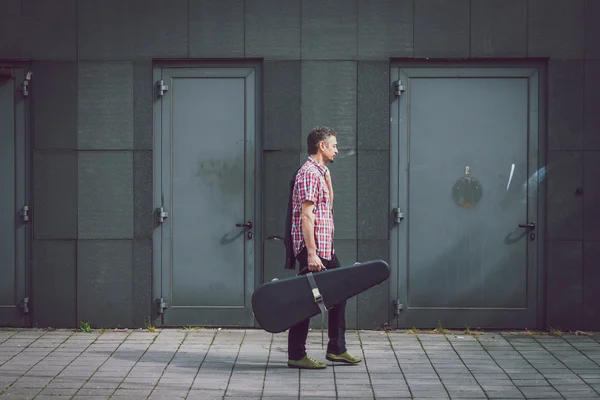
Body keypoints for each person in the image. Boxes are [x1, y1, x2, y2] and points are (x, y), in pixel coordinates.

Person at [287, 126, 362, 369]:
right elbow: (306, 216)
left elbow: (326, 207)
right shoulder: (309, 173)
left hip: (325, 249)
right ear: (322, 146)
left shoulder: (320, 173)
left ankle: (336, 349)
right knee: (305, 301)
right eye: (334, 145)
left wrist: (328, 180)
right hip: (314, 250)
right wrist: (311, 253)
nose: (337, 150)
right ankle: (297, 355)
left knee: (340, 293)